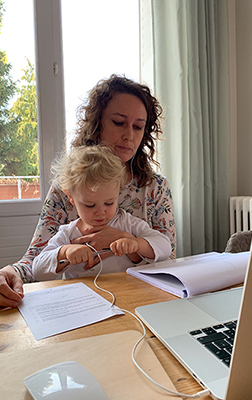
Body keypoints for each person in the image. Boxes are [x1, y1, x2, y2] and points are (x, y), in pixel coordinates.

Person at [0, 74, 176, 307]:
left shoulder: (155, 188)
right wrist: (9, 272)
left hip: (140, 302)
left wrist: (129, 243)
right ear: (98, 123)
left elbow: (168, 258)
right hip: (81, 304)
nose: (129, 135)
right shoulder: (66, 186)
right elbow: (36, 260)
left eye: (138, 127)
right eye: (118, 122)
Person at [32, 145, 172, 280]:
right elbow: (37, 270)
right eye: (90, 205)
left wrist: (137, 244)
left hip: (126, 294)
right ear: (71, 198)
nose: (100, 212)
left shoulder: (128, 224)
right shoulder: (68, 233)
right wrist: (64, 252)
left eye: (109, 203)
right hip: (83, 298)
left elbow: (166, 247)